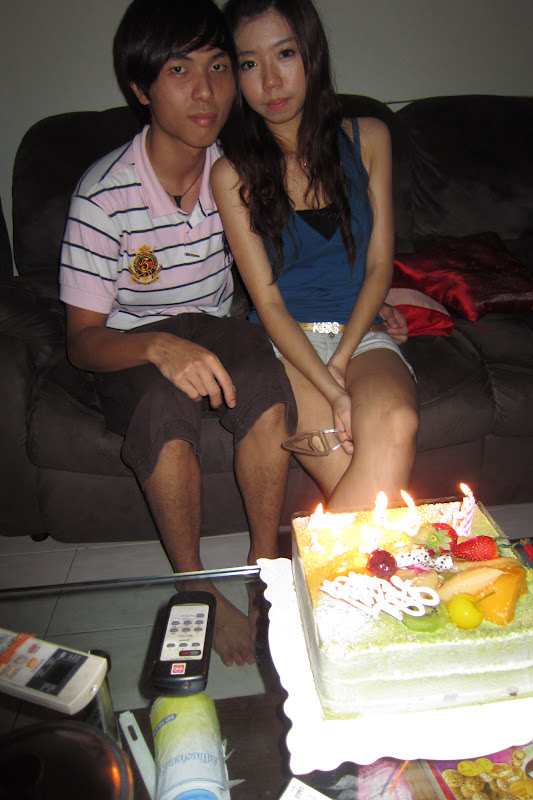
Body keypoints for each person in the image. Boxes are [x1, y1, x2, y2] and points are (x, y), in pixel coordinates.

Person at [58, 0, 297, 667]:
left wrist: (389, 292)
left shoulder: (240, 171)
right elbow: (82, 340)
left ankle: (262, 571)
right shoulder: (102, 197)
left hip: (219, 325)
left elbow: (303, 263)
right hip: (135, 340)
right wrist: (157, 347)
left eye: (219, 67)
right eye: (179, 70)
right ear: (141, 88)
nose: (206, 91)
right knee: (164, 410)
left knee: (266, 381)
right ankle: (194, 585)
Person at [211, 0, 419, 513]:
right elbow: (268, 303)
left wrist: (342, 360)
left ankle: (309, 566)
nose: (270, 81)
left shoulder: (369, 138)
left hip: (362, 334)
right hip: (282, 346)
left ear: (312, 53)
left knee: (397, 422)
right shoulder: (231, 174)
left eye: (285, 54)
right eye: (249, 63)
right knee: (363, 481)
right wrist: (332, 388)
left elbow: (379, 266)